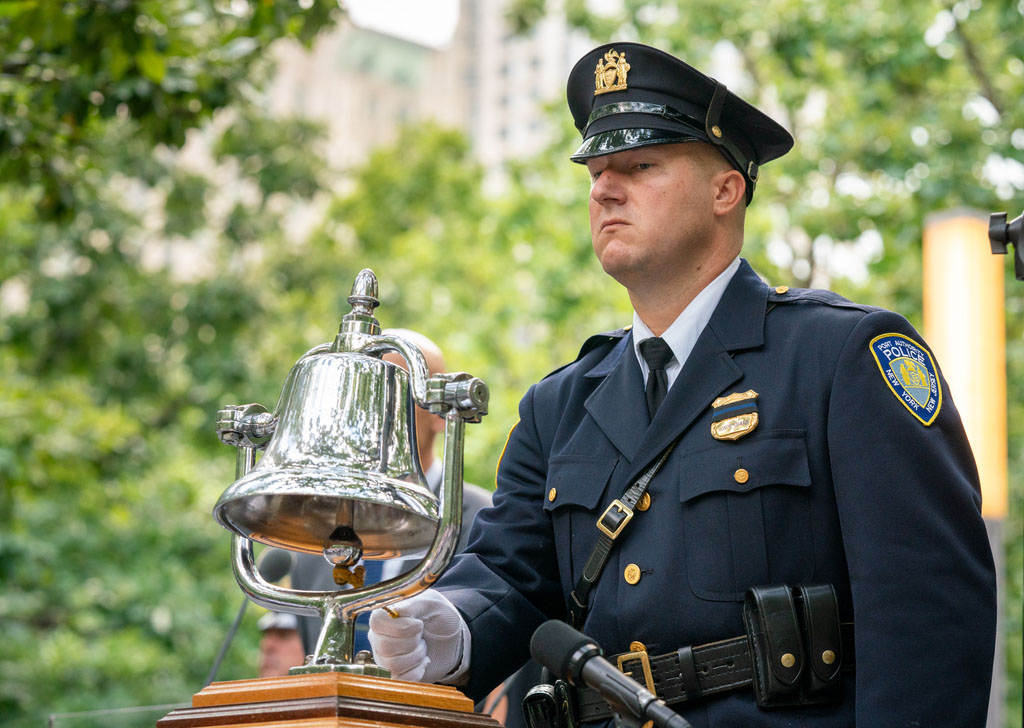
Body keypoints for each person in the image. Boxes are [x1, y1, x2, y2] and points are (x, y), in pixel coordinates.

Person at [367, 42, 998, 727]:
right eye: (597, 170)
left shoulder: (840, 356)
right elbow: (511, 573)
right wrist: (446, 623)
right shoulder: (560, 405)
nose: (605, 188)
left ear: (726, 190)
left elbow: (927, 615)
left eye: (639, 165)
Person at [257, 329, 493, 676]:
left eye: (393, 395)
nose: (373, 415)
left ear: (441, 413)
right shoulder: (311, 548)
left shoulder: (485, 525)